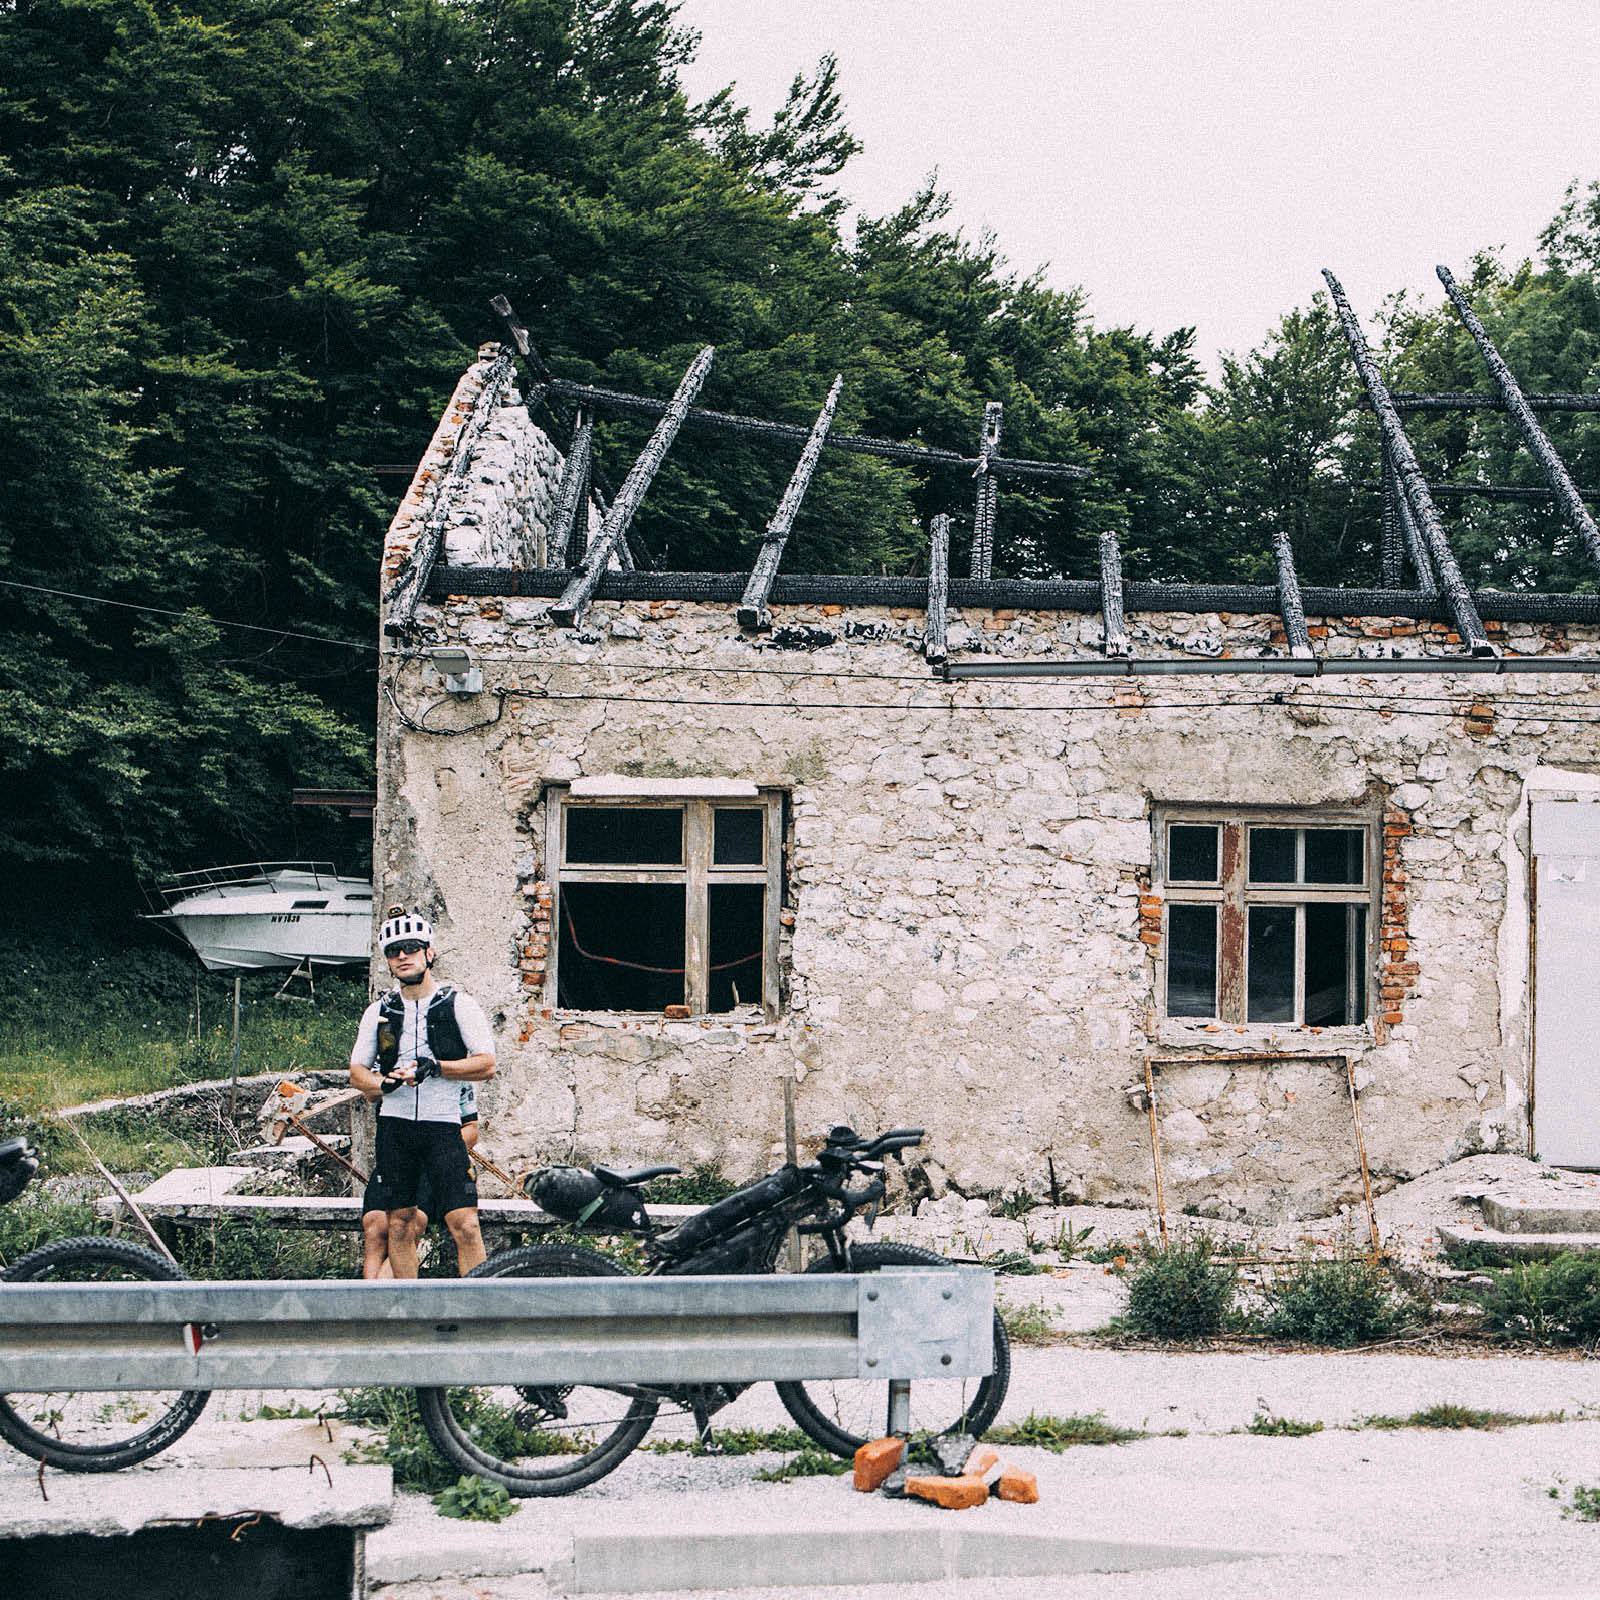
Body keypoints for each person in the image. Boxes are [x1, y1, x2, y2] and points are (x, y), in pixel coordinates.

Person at [350, 909, 496, 1276]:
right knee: (399, 1223)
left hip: (444, 1127)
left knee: (465, 1223)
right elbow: (356, 1072)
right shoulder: (379, 1011)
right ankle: (409, 1313)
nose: (403, 956)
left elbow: (487, 1064)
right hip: (396, 1128)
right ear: (387, 959)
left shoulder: (459, 1004)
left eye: (412, 948)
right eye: (394, 950)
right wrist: (383, 1084)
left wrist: (439, 1068)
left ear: (429, 953)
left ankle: (476, 1311)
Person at [359, 1084, 478, 1278]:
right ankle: (375, 1300)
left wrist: (434, 1150)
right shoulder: (393, 1065)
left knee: (412, 1224)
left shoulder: (453, 1071)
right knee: (375, 1228)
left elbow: (472, 1130)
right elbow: (369, 1091)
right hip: (395, 1158)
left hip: (437, 1163)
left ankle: (378, 1301)